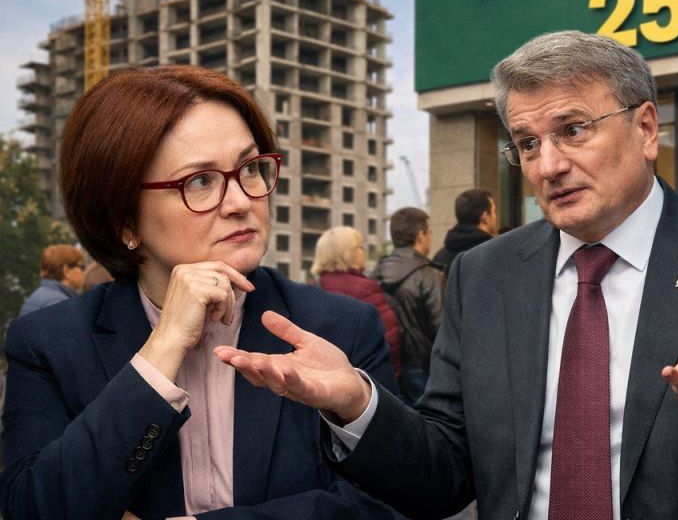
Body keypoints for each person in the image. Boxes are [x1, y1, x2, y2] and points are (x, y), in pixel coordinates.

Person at [216, 31, 678, 519]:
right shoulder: (484, 275)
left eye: (573, 130)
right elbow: (446, 474)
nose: (548, 165)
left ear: (646, 128)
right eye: (528, 143)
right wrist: (358, 405)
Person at [0, 66, 402, 519]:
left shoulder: (339, 326)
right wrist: (163, 349)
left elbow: (388, 502)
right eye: (200, 181)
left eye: (250, 168)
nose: (241, 202)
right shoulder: (49, 344)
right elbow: (33, 507)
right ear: (124, 221)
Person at [372, 207, 445, 404]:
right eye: (429, 232)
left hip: (385, 364)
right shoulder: (430, 275)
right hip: (422, 367)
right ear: (421, 235)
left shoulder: (375, 273)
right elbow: (442, 328)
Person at [312, 226, 402, 378]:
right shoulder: (366, 288)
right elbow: (389, 338)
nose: (363, 251)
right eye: (360, 247)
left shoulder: (313, 288)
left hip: (325, 376)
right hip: (364, 377)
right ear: (349, 253)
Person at [432, 188, 498, 272]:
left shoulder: (439, 258)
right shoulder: (494, 254)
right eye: (494, 211)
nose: (496, 216)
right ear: (485, 217)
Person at [19, 244, 85, 317]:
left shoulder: (38, 295)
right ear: (66, 270)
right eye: (81, 267)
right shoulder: (59, 304)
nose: (83, 271)